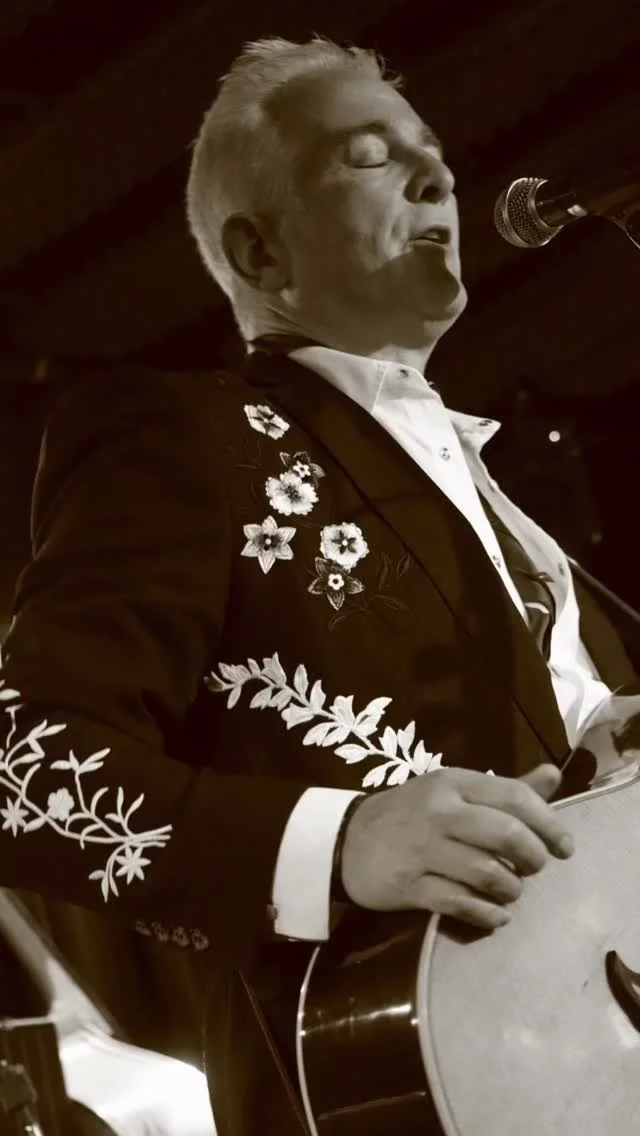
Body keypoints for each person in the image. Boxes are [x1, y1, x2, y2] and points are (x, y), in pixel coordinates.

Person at [0, 33, 638, 1136]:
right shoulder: (180, 435)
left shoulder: (513, 513)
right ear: (259, 249)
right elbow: (22, 769)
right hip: (379, 1092)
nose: (435, 174)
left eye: (434, 153)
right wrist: (337, 842)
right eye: (369, 156)